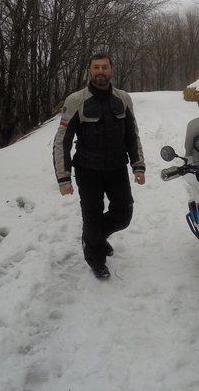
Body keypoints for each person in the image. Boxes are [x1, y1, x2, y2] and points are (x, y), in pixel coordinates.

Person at [53, 53, 146, 279]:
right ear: (89, 71)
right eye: (96, 67)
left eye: (105, 67)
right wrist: (63, 177)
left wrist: (138, 165)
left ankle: (93, 238)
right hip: (88, 170)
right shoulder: (76, 100)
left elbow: (132, 135)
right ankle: (95, 258)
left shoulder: (123, 98)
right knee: (92, 216)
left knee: (123, 214)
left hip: (117, 168)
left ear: (111, 71)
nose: (100, 71)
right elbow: (62, 140)